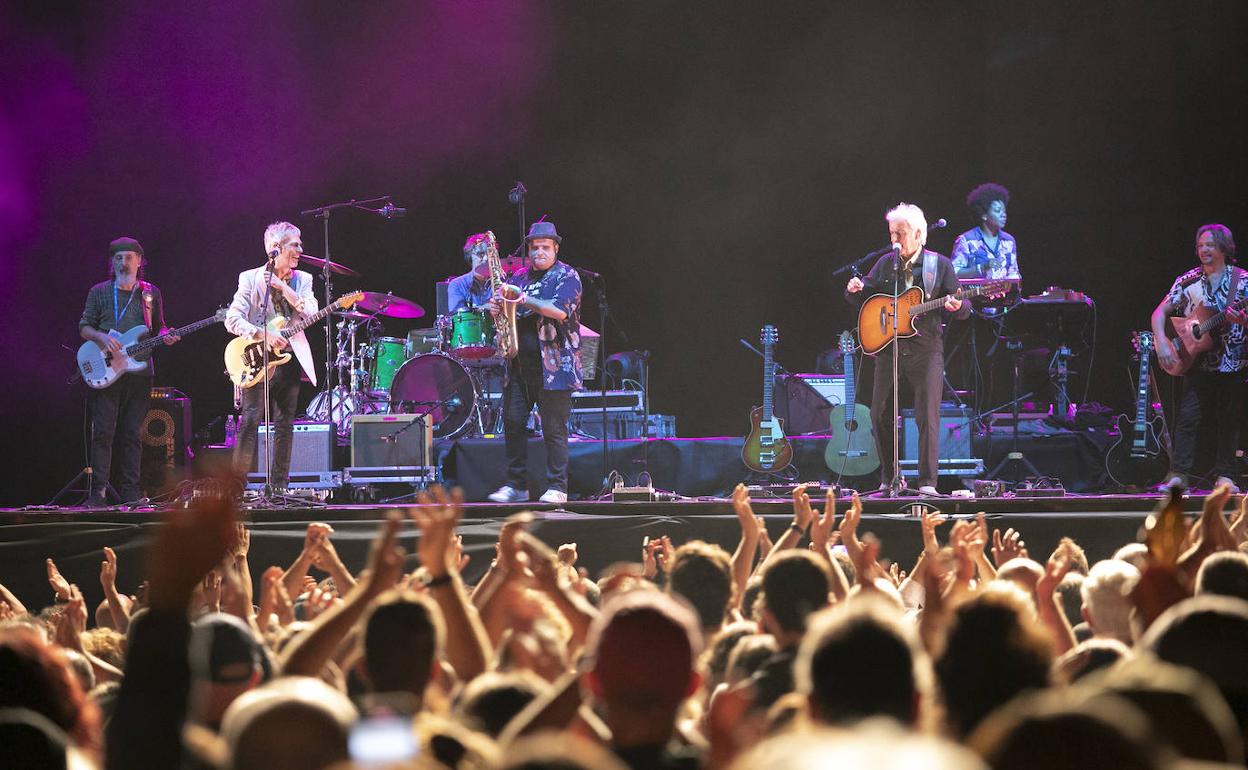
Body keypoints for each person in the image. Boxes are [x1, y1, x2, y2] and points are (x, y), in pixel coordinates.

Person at [845, 203, 970, 495]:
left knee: (927, 415)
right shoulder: (885, 264)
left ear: (918, 234)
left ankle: (927, 484)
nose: (894, 240)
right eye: (892, 233)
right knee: (878, 413)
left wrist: (958, 305)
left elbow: (964, 307)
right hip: (889, 350)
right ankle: (890, 478)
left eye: (900, 234)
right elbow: (867, 300)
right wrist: (855, 290)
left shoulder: (938, 265)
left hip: (926, 350)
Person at [487, 221, 583, 504]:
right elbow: (507, 313)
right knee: (514, 424)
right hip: (518, 363)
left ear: (555, 249)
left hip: (554, 367)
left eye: (545, 247)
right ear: (528, 250)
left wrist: (524, 298)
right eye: (534, 247)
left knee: (554, 429)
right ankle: (517, 485)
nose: (539, 252)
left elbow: (558, 312)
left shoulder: (567, 276)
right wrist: (496, 310)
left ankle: (558, 487)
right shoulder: (517, 277)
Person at [78, 237, 177, 506]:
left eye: (129, 257)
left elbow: (160, 327)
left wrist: (167, 335)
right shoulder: (99, 291)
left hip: (140, 371)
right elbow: (84, 327)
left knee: (133, 434)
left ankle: (131, 493)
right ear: (112, 262)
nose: (124, 262)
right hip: (107, 368)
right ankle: (98, 492)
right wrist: (100, 337)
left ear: (140, 261)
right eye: (119, 258)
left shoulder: (150, 293)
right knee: (104, 432)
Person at [1151, 224, 1248, 492]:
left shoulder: (1243, 281)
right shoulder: (1189, 280)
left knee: (1228, 421)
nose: (1204, 250)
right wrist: (1162, 341)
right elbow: (1160, 313)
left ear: (1224, 248)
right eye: (1201, 245)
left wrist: (1242, 321)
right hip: (1195, 361)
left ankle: (1226, 476)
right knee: (1188, 418)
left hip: (1232, 362)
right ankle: (1179, 475)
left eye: (1210, 245)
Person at [225, 222, 319, 491]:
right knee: (251, 419)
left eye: (300, 244)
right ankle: (236, 490)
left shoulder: (303, 280)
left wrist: (283, 286)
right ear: (275, 249)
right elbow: (232, 319)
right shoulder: (250, 278)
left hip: (288, 360)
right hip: (256, 359)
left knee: (284, 423)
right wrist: (262, 334)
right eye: (295, 244)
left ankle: (278, 487)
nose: (300, 249)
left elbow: (311, 312)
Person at [951, 182, 1020, 281]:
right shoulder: (966, 240)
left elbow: (1013, 273)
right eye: (997, 211)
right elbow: (954, 272)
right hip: (975, 295)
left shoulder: (1009, 241)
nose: (1003, 215)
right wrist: (981, 268)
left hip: (1004, 295)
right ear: (984, 215)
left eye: (1004, 211)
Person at [446, 232, 495, 313]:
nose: (486, 259)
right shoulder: (457, 284)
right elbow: (459, 315)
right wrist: (485, 308)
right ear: (470, 256)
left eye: (489, 254)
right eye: (481, 254)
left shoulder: (502, 283)